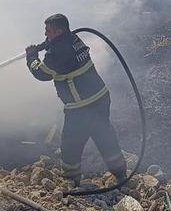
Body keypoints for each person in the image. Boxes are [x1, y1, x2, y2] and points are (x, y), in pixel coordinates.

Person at [26, 14, 127, 184]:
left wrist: (31, 57)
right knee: (104, 135)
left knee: (71, 145)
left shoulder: (57, 53)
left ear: (60, 31)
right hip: (100, 99)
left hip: (82, 107)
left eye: (48, 31)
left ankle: (71, 182)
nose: (45, 34)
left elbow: (41, 73)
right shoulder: (73, 39)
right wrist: (44, 46)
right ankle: (121, 174)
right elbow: (57, 48)